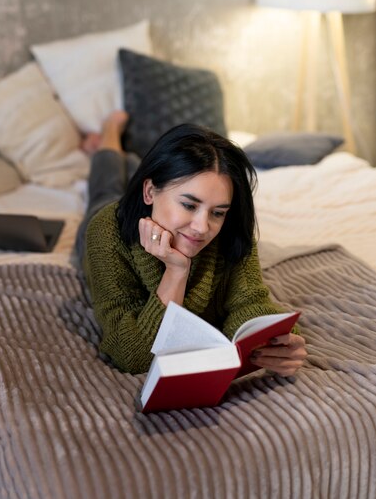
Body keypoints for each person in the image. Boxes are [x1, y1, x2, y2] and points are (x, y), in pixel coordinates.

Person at [77, 111, 307, 375]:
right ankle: (109, 134)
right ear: (150, 191)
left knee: (118, 178)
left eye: (217, 212)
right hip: (111, 216)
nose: (202, 228)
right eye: (189, 205)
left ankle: (127, 157)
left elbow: (249, 302)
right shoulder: (107, 232)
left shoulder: (230, 230)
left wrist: (280, 342)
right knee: (105, 188)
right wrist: (176, 271)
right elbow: (134, 356)